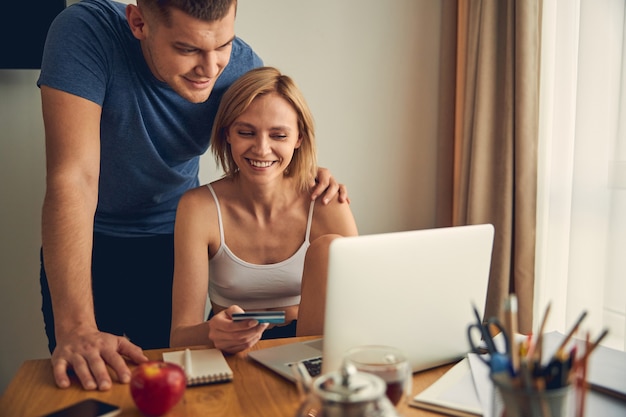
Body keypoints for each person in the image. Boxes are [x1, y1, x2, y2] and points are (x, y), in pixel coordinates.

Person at [37, 0, 348, 391]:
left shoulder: (240, 67)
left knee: (155, 387)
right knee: (86, 383)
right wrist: (77, 327)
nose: (211, 67)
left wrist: (306, 171)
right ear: (138, 23)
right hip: (85, 241)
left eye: (224, 45)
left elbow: (269, 135)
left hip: (172, 242)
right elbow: (74, 178)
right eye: (187, 50)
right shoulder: (86, 31)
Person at [169, 66, 358, 352]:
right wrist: (214, 332)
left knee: (331, 246)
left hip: (309, 345)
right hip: (229, 348)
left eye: (278, 136)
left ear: (298, 140)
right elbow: (180, 337)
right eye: (246, 132)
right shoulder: (199, 208)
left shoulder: (326, 202)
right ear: (228, 134)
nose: (261, 149)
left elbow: (362, 308)